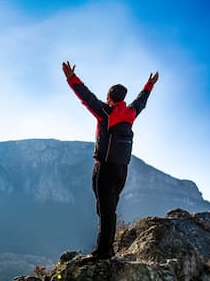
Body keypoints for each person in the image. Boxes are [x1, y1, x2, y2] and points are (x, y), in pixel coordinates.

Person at [62, 61, 158, 259]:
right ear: (123, 98)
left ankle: (103, 251)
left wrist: (71, 78)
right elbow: (142, 100)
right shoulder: (131, 113)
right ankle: (108, 247)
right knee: (108, 209)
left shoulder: (106, 112)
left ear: (109, 98)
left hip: (104, 168)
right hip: (122, 169)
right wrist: (149, 85)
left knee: (105, 211)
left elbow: (86, 97)